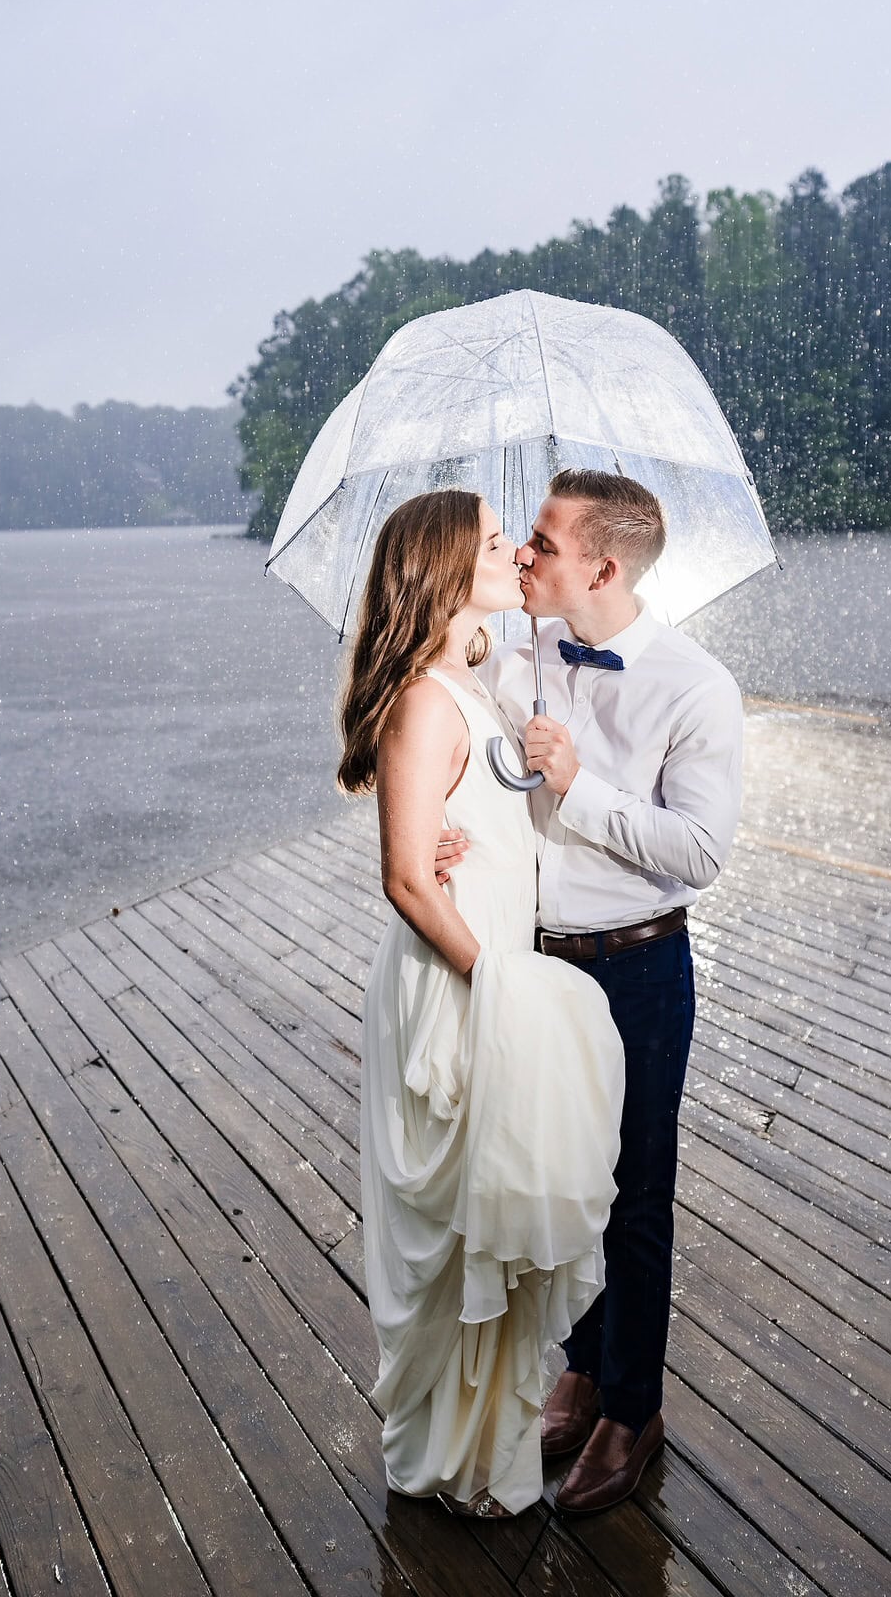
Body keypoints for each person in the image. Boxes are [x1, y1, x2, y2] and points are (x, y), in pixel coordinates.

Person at [440, 468, 743, 1513]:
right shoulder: (516, 650)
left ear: (604, 567)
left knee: (634, 1190)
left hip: (637, 964)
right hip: (536, 959)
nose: (522, 555)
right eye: (522, 539)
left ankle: (629, 1407)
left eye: (541, 542)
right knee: (558, 1179)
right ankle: (573, 1366)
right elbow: (453, 745)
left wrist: (580, 784)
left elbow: (698, 850)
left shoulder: (694, 686)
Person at [339, 488, 624, 1519]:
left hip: (487, 970)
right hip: (460, 989)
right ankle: (449, 1460)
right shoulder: (421, 698)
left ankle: (483, 1446)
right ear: (447, 568)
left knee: (489, 1218)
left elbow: (470, 831)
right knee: (462, 1224)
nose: (513, 555)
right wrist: (503, 987)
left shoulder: (472, 685)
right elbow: (408, 879)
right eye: (497, 544)